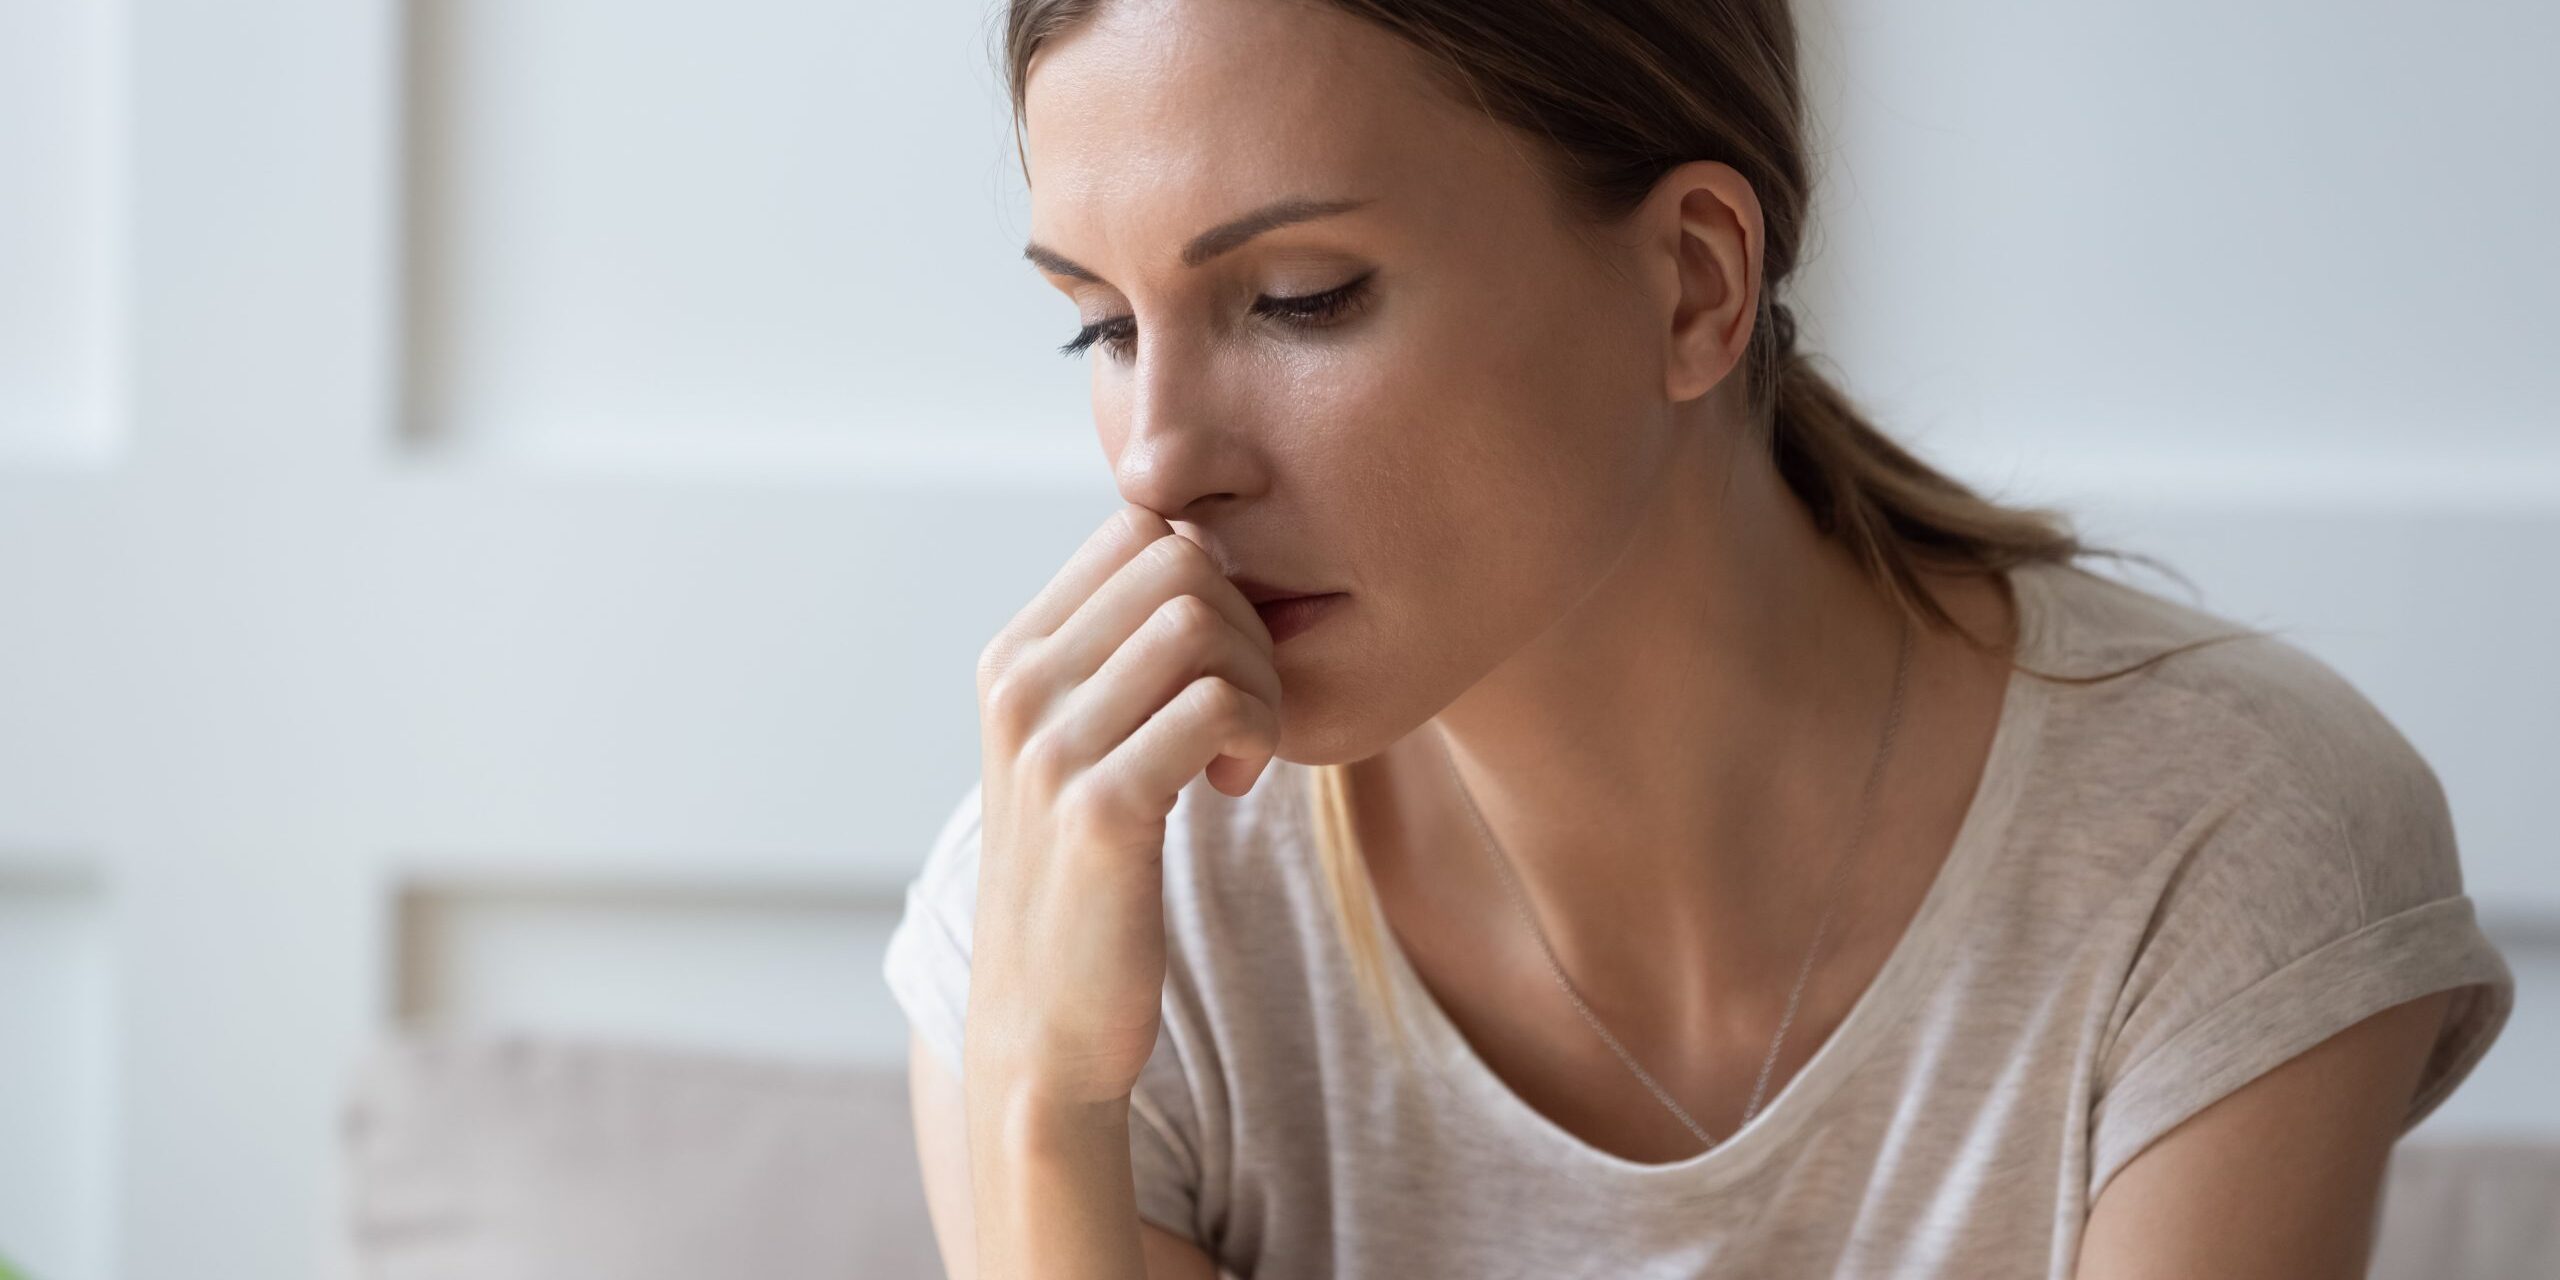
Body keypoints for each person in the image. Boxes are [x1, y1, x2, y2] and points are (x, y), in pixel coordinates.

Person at [882, 0, 2516, 1275]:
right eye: (1099, 325)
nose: (1160, 458)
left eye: (1301, 296)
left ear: (1691, 284)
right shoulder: (1071, 908)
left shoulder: (2219, 850)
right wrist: (1041, 1100)